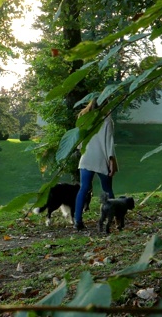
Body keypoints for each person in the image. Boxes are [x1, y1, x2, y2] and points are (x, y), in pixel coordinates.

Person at [73, 99, 118, 230]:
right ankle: (114, 218)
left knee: (83, 189)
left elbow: (79, 141)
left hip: (86, 158)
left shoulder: (84, 118)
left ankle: (78, 221)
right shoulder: (107, 120)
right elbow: (109, 142)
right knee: (108, 189)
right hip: (101, 159)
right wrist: (111, 161)